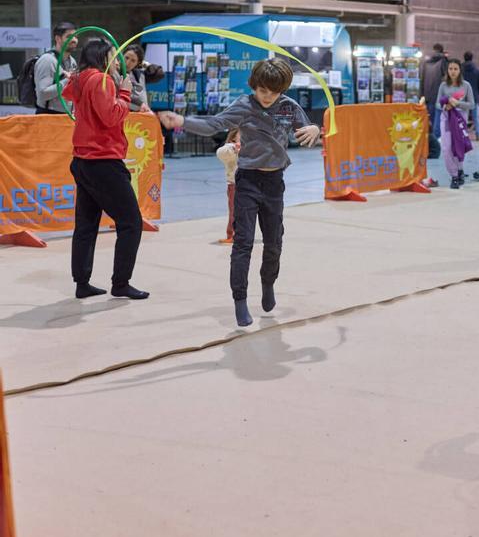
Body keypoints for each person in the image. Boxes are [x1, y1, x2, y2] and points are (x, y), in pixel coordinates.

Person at [158, 58, 321, 327]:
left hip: (274, 184)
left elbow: (307, 131)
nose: (266, 96)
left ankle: (268, 285)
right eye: (262, 90)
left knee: (274, 242)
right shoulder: (245, 106)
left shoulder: (288, 108)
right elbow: (215, 124)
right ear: (254, 86)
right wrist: (182, 121)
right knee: (243, 242)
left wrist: (316, 128)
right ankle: (240, 300)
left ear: (282, 89)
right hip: (247, 182)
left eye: (273, 91)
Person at [64, 38, 152, 300]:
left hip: (82, 161)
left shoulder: (81, 78)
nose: (117, 61)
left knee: (86, 225)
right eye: (113, 56)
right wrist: (124, 92)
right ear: (103, 57)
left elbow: (68, 93)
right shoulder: (101, 80)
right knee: (131, 222)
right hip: (103, 160)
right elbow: (112, 115)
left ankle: (82, 282)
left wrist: (74, 78)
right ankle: (121, 283)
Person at [436, 59, 475, 189]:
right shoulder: (443, 86)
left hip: (460, 121)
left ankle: (460, 170)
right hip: (446, 119)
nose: (453, 71)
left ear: (460, 70)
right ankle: (454, 176)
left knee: (458, 147)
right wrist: (446, 105)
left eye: (455, 69)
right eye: (450, 69)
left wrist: (458, 103)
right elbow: (437, 103)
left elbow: (472, 104)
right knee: (446, 148)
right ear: (447, 70)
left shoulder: (466, 85)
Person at [34, 21, 78, 114]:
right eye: (69, 36)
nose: (74, 39)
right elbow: (42, 94)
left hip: (66, 115)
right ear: (58, 39)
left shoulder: (72, 61)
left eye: (76, 36)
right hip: (48, 115)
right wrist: (68, 80)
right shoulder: (47, 60)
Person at [216, 128, 240, 244]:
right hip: (234, 186)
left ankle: (242, 234)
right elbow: (220, 153)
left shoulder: (250, 148)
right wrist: (234, 148)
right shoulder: (229, 148)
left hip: (250, 184)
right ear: (234, 137)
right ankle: (231, 234)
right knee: (234, 211)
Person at [420, 43, 449, 137]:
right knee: (439, 118)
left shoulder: (425, 62)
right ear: (442, 50)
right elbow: (446, 77)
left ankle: (430, 138)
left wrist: (422, 94)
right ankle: (436, 140)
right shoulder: (443, 61)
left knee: (430, 118)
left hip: (427, 94)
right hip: (439, 94)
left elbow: (422, 78)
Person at [462, 51, 479, 140]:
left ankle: (463, 134)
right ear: (472, 58)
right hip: (474, 96)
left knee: (464, 116)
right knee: (476, 117)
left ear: (464, 58)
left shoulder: (460, 70)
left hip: (463, 97)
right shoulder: (477, 71)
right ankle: (478, 134)